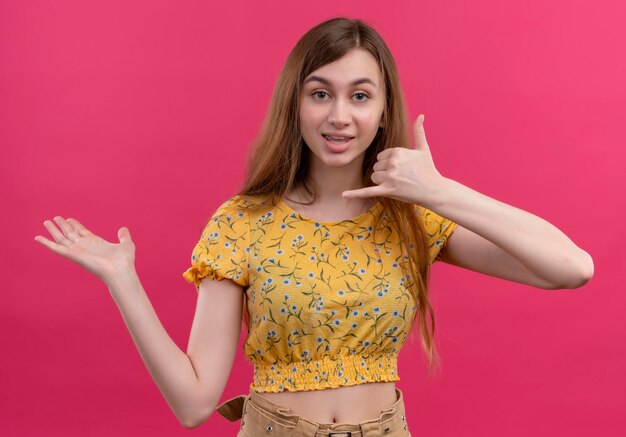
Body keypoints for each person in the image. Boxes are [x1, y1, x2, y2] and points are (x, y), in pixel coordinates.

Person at [34, 16, 594, 437]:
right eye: (320, 93)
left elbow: (571, 269)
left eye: (360, 95)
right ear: (295, 104)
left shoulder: (413, 217)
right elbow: (193, 403)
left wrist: (440, 191)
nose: (339, 116)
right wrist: (122, 279)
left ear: (382, 109)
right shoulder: (242, 224)